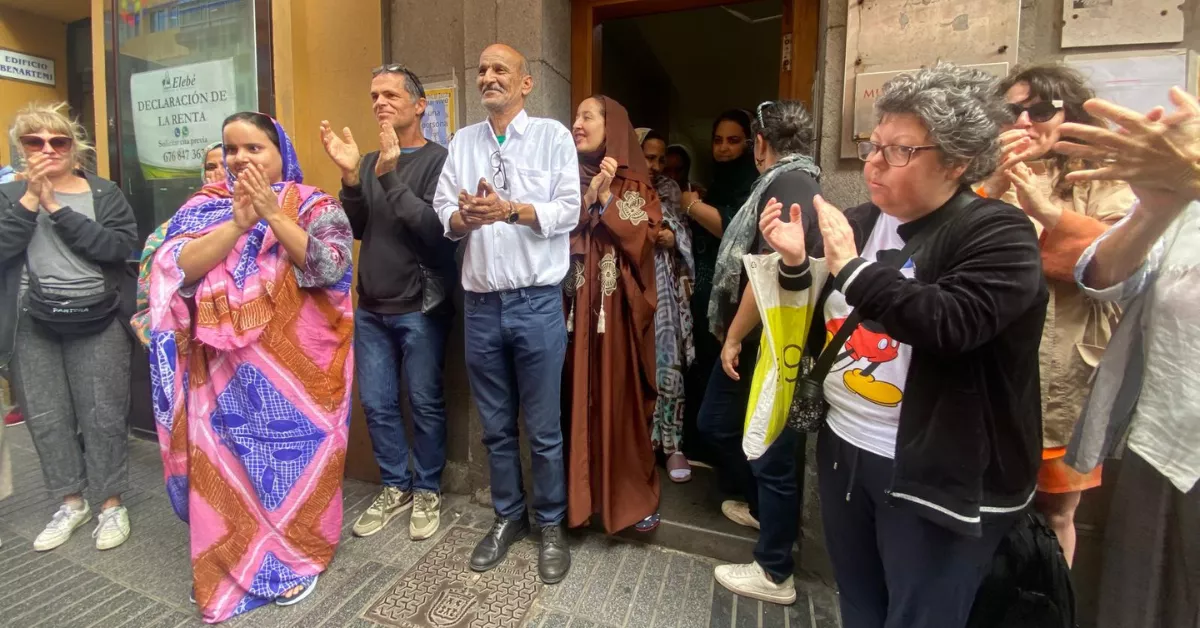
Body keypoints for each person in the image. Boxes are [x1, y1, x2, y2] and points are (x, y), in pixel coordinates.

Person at [759, 63, 1047, 628]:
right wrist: (796, 265)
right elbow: (822, 315)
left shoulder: (998, 232)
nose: (871, 163)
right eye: (873, 145)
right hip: (846, 446)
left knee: (923, 615)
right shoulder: (863, 221)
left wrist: (850, 268)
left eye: (898, 151)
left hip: (935, 471)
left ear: (957, 161)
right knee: (861, 602)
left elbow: (953, 323)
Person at [145, 112, 354, 622]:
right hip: (223, 374)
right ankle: (228, 558)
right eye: (231, 149)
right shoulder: (203, 207)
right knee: (227, 465)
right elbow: (172, 268)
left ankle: (297, 560)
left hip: (301, 376)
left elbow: (332, 267)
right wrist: (239, 222)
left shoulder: (314, 204)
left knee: (295, 468)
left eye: (254, 148)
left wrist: (272, 215)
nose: (240, 158)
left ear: (280, 152)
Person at [433, 44, 579, 585]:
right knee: (495, 427)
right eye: (482, 69)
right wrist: (464, 218)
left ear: (525, 83)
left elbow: (570, 209)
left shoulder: (552, 137)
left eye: (501, 70)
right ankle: (507, 517)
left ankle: (550, 525)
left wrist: (509, 210)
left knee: (542, 429)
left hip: (536, 303)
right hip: (481, 306)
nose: (489, 77)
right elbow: (441, 208)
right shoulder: (464, 142)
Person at [1055, 86, 1200, 628]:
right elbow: (1102, 276)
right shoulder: (1181, 188)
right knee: (1138, 602)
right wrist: (1156, 210)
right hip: (1157, 437)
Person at [983, 64, 1133, 566]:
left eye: (1041, 110)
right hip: (990, 364)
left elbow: (1115, 264)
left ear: (1068, 114)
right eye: (1012, 111)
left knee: (1056, 511)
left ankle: (1046, 608)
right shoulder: (986, 169)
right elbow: (948, 248)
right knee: (980, 502)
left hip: (1067, 369)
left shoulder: (1104, 173)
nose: (1024, 121)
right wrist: (992, 186)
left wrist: (1046, 211)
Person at [321, 64, 453, 541]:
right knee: (376, 404)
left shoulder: (441, 160)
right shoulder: (373, 159)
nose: (379, 102)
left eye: (391, 95)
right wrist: (352, 179)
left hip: (419, 306)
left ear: (420, 105)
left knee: (424, 403)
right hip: (372, 308)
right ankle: (396, 485)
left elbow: (438, 235)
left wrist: (391, 177)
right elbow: (358, 228)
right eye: (374, 95)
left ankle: (428, 489)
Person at [697, 101, 822, 605]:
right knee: (720, 425)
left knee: (770, 449)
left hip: (768, 343)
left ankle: (775, 570)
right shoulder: (791, 182)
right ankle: (759, 508)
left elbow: (764, 270)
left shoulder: (787, 186)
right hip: (759, 341)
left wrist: (731, 335)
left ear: (761, 144)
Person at [0, 102, 137, 553]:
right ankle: (71, 502)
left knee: (102, 415)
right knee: (46, 417)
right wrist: (28, 201)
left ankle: (111, 504)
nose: (47, 149)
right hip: (31, 322)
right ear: (20, 148)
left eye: (58, 141)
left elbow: (117, 247)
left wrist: (56, 207)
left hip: (97, 316)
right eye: (34, 141)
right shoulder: (5, 197)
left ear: (72, 147)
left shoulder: (103, 193)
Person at [565, 96, 662, 534]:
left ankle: (626, 499)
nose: (577, 124)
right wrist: (584, 201)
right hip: (568, 314)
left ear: (613, 126)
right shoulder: (562, 177)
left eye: (588, 116)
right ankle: (576, 503)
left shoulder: (635, 184)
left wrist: (604, 201)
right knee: (570, 397)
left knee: (616, 399)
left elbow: (642, 236)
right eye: (576, 117)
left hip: (614, 316)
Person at [680, 110, 759, 480]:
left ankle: (737, 474)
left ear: (750, 143)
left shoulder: (754, 183)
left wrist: (692, 207)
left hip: (735, 303)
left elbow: (734, 229)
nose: (724, 148)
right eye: (718, 140)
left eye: (733, 140)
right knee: (702, 369)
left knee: (727, 382)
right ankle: (703, 452)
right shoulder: (721, 181)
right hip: (705, 296)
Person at [638, 128, 695, 483]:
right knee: (632, 364)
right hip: (629, 285)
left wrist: (673, 239)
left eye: (661, 158)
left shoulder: (670, 191)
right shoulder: (620, 187)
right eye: (649, 157)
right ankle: (638, 444)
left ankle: (673, 444)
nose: (656, 166)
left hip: (664, 288)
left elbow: (684, 233)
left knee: (667, 362)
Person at [132, 142, 230, 346]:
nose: (219, 172)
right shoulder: (193, 208)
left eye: (225, 164)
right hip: (194, 309)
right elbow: (159, 247)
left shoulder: (263, 203)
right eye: (211, 167)